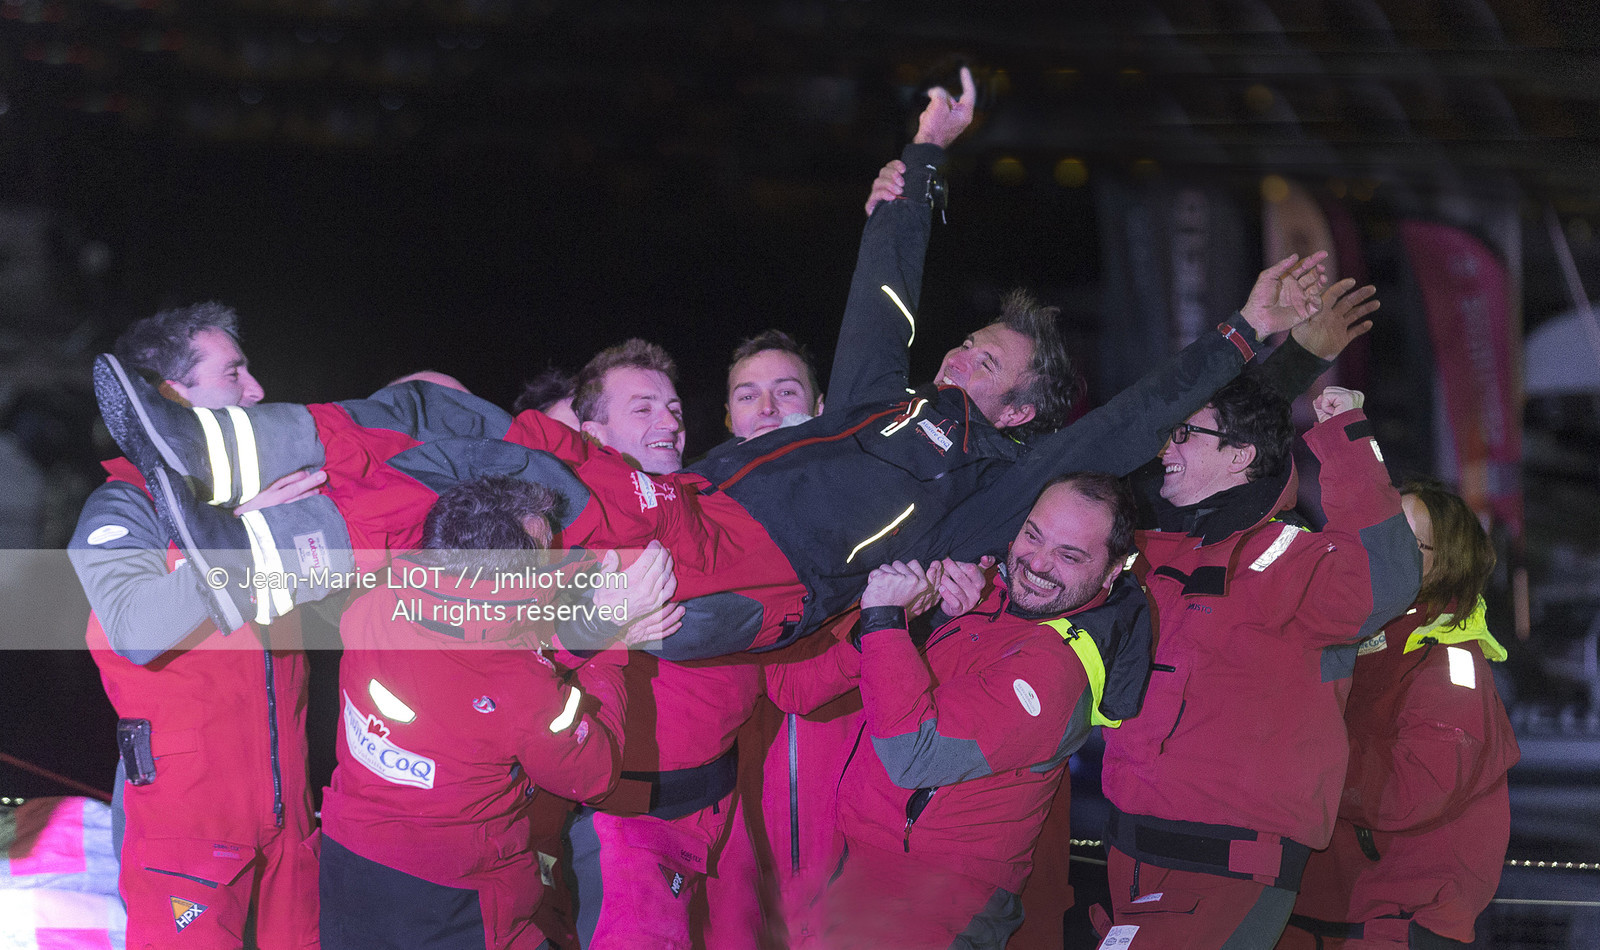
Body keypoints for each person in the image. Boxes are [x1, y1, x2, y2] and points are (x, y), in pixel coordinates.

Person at [90, 69, 1343, 661]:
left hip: (733, 575)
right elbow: (884, 294)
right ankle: (235, 539)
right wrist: (924, 154)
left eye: (990, 355)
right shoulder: (883, 407)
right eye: (968, 338)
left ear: (1024, 398)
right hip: (685, 525)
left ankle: (229, 472)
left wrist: (1242, 333)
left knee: (474, 452)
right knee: (451, 422)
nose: (960, 352)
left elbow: (1121, 427)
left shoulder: (990, 483)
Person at [760, 473, 1150, 949]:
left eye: (1069, 556)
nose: (1038, 563)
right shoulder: (987, 601)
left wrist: (885, 618)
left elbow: (913, 755)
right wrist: (927, 618)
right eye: (1033, 535)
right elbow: (796, 690)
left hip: (939, 898)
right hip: (861, 869)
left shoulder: (1058, 666)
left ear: (1112, 572)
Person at [1096, 383, 1422, 950]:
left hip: (1228, 864)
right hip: (1131, 850)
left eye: (1182, 435)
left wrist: (1346, 436)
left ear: (1240, 455)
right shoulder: (1160, 550)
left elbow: (1386, 580)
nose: (1164, 450)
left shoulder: (1293, 559)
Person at [319, 474, 671, 950]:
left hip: (349, 863)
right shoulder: (521, 690)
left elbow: (481, 643)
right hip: (456, 899)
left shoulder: (372, 601)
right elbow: (593, 775)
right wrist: (613, 642)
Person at [67, 303, 321, 949]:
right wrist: (246, 536)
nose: (258, 390)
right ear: (171, 396)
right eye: (234, 372)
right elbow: (137, 627)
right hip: (188, 836)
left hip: (289, 830)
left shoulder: (272, 496)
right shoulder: (124, 504)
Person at [1276, 481, 1519, 950]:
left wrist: (1302, 758)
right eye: (1381, 531)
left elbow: (1411, 788)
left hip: (1392, 919)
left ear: (1445, 563)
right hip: (1319, 910)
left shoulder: (1451, 663)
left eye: (1405, 539)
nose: (1382, 547)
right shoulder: (1359, 635)